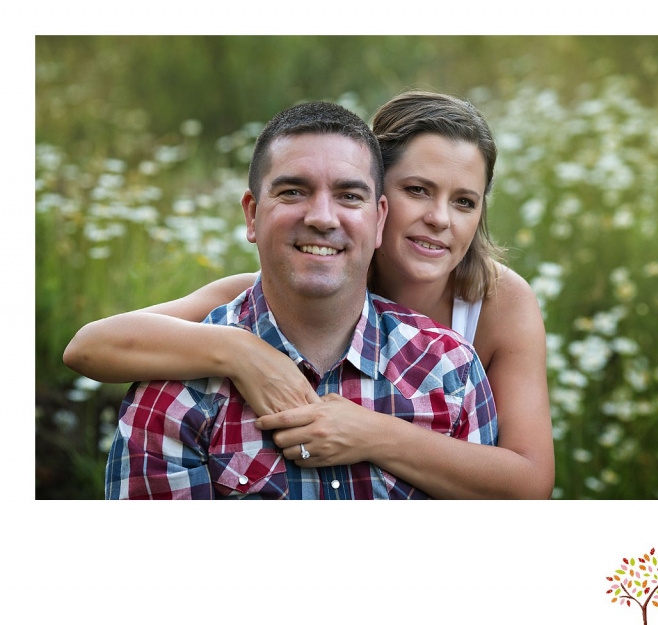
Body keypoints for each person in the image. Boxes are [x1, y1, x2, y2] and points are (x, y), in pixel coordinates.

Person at [65, 91, 554, 499]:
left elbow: (529, 483)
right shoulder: (295, 277)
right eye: (419, 190)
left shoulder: (490, 308)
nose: (441, 218)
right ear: (379, 197)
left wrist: (370, 433)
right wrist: (240, 351)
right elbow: (90, 346)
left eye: (464, 201)